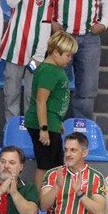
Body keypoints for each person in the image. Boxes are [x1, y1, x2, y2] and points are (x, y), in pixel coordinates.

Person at [0, 0, 51, 119]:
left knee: (31, 96)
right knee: (11, 95)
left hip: (35, 55)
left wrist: (40, 55)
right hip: (13, 52)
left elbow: (46, 25)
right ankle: (11, 132)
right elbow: (12, 2)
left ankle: (28, 134)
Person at [26, 30, 78, 184]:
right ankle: (41, 202)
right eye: (67, 55)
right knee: (45, 165)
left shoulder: (55, 70)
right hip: (43, 124)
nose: (69, 59)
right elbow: (41, 101)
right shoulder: (48, 71)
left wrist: (56, 120)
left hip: (51, 122)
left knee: (55, 165)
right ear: (56, 52)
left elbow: (52, 101)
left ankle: (50, 198)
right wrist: (44, 128)